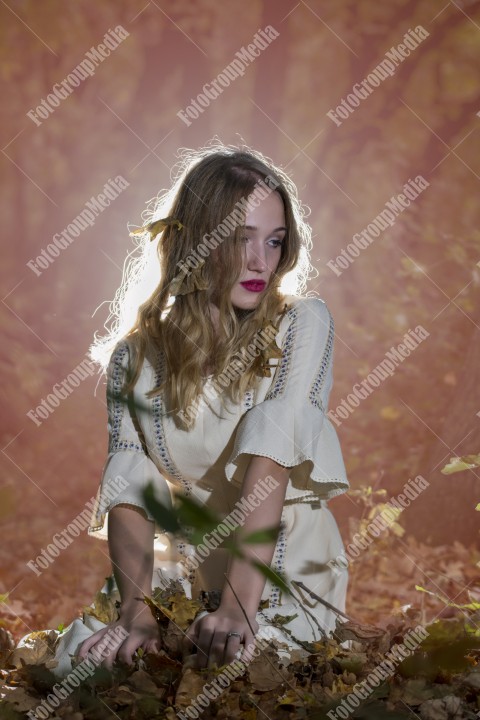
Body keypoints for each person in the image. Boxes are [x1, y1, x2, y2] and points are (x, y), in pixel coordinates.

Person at [19, 142, 350, 676]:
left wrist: (239, 609)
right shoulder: (134, 355)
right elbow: (132, 484)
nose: (260, 261)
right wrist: (138, 612)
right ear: (197, 240)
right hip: (180, 567)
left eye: (274, 241)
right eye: (241, 239)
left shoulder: (302, 322)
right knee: (92, 663)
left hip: (279, 563)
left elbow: (270, 463)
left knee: (239, 671)